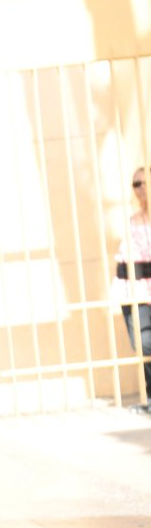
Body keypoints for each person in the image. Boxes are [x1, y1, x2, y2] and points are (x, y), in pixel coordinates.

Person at [114, 166, 151, 413]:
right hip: (136, 291)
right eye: (136, 184)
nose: (140, 188)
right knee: (143, 343)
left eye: (144, 182)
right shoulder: (133, 221)